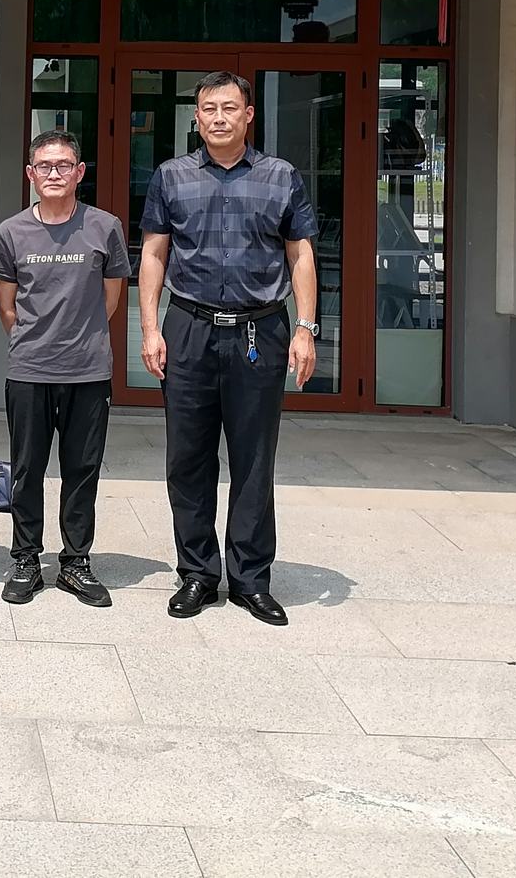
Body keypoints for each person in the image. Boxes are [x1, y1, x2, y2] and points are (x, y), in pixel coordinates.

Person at [138, 69, 319, 629]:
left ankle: (250, 579)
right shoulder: (171, 176)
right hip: (189, 328)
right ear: (196, 118)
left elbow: (300, 255)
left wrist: (305, 328)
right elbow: (153, 254)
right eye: (209, 109)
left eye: (229, 108)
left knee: (253, 457)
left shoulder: (279, 176)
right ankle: (197, 572)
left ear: (248, 115)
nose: (219, 118)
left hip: (258, 331)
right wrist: (150, 328)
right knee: (187, 458)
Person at [0, 130, 129, 609]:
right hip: (29, 369)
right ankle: (26, 559)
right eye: (45, 166)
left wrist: (78, 337)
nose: (54, 173)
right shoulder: (11, 232)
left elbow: (111, 298)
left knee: (82, 470)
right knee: (27, 469)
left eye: (64, 165)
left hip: (88, 370)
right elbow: (7, 307)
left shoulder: (105, 227)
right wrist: (38, 342)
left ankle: (75, 562)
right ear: (31, 174)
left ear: (79, 172)